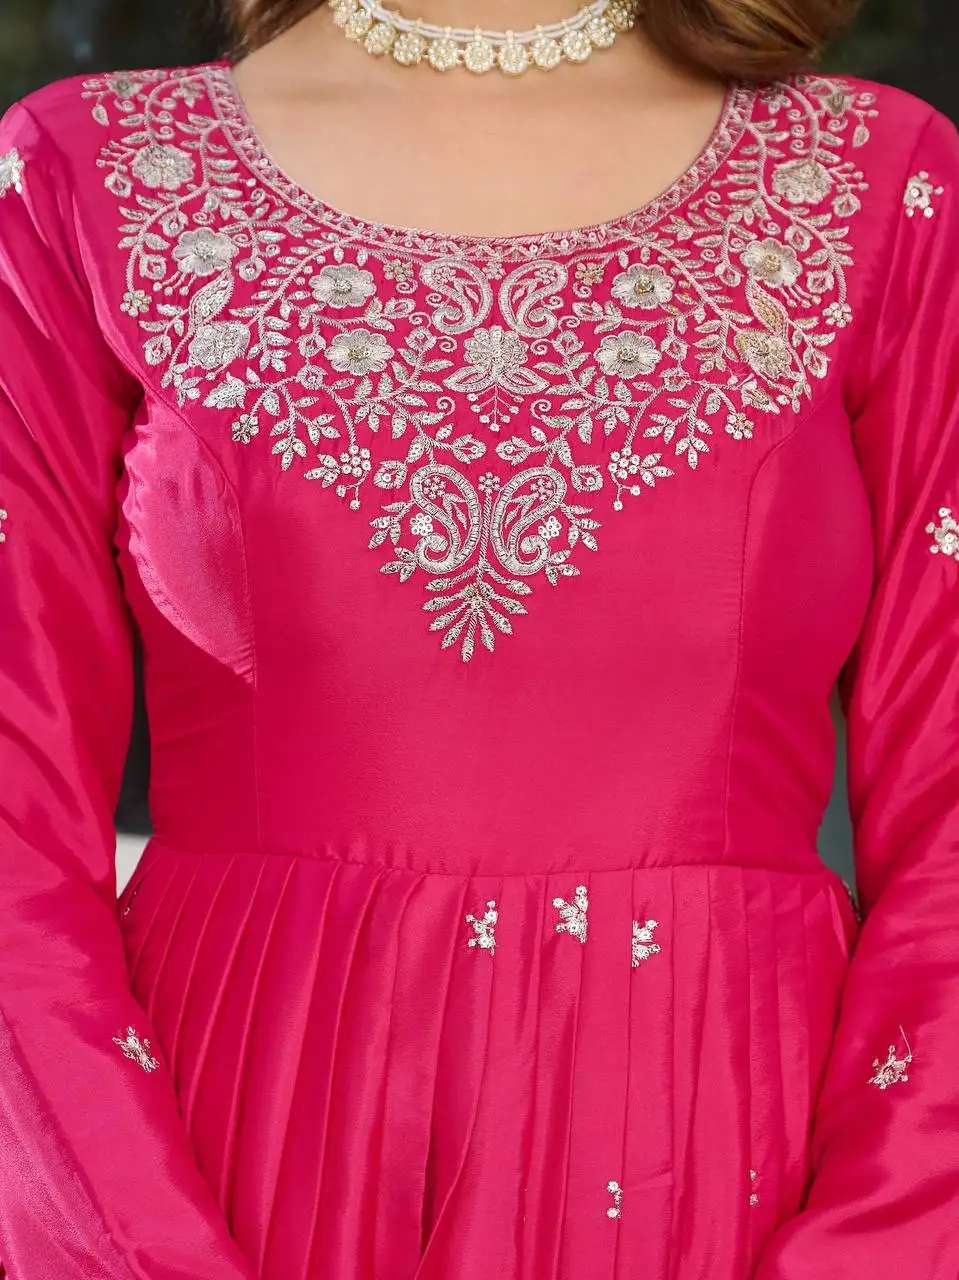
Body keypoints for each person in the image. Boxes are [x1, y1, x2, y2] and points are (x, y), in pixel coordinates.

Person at [0, 0, 956, 1274]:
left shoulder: (879, 182)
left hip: (726, 1153)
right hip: (226, 1158)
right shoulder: (90, 171)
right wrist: (132, 1248)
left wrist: (873, 1250)